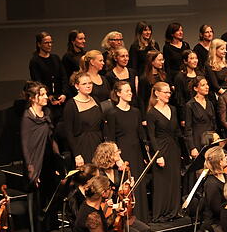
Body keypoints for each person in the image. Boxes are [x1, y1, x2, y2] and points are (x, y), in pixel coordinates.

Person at [71, 173, 149, 232]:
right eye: (109, 188)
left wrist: (117, 214)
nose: (111, 189)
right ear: (103, 193)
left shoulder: (91, 203)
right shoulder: (92, 216)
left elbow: (104, 224)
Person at [21, 82, 61, 232]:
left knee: (52, 204)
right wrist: (33, 172)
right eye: (42, 95)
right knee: (40, 206)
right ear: (32, 98)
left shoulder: (47, 113)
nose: (46, 97)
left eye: (45, 94)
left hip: (49, 164)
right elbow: (26, 147)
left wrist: (58, 164)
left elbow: (51, 139)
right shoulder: (27, 118)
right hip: (36, 166)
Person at [104, 81, 149, 222]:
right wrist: (118, 159)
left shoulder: (136, 112)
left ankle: (141, 218)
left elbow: (141, 136)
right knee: (126, 186)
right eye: (127, 91)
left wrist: (145, 155)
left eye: (130, 90)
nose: (130, 93)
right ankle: (128, 218)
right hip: (122, 154)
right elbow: (111, 139)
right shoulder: (112, 113)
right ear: (118, 93)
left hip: (136, 153)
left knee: (138, 184)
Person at [145, 82, 182, 222]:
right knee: (162, 182)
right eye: (165, 92)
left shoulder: (173, 109)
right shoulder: (151, 113)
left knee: (174, 180)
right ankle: (161, 213)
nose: (168, 95)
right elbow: (151, 136)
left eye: (169, 92)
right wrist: (158, 155)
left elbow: (177, 131)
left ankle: (174, 210)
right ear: (157, 93)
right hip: (161, 149)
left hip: (174, 148)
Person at [64, 72, 104, 168]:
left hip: (98, 144)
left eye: (90, 83)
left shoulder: (95, 100)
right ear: (77, 86)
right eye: (84, 84)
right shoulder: (71, 105)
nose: (88, 86)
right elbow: (69, 132)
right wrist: (77, 154)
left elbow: (102, 125)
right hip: (82, 146)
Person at [29, 32, 67, 111]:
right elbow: (38, 81)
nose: (50, 45)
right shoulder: (35, 61)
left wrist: (64, 94)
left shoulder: (55, 58)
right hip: (46, 100)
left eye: (51, 42)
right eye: (46, 43)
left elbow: (64, 76)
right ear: (39, 44)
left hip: (60, 97)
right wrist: (48, 96)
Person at [183, 76, 217, 159]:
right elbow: (188, 129)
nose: (207, 87)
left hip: (210, 140)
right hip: (198, 141)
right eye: (203, 85)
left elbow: (213, 123)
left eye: (207, 84)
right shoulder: (190, 105)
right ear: (196, 88)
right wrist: (192, 147)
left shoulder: (209, 103)